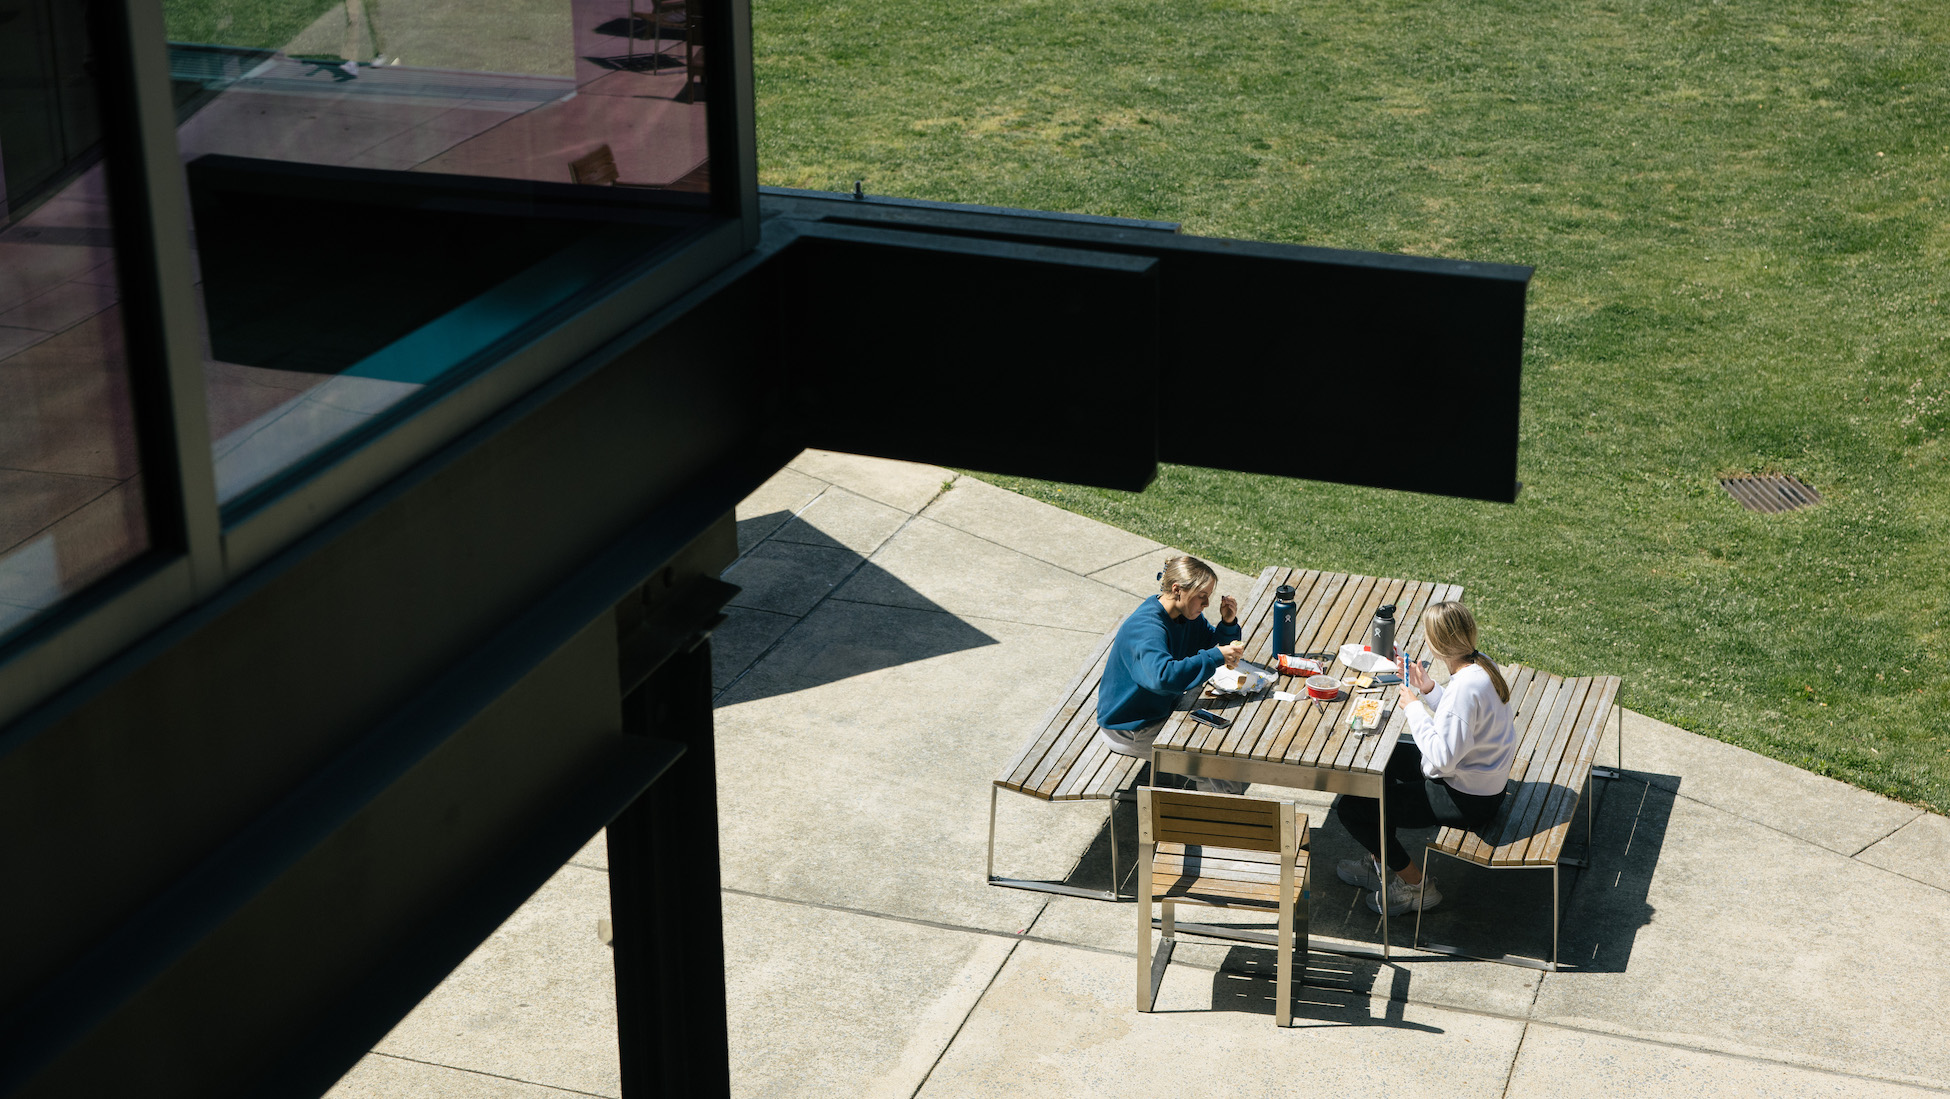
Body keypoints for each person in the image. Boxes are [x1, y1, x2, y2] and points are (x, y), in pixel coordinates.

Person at [1333, 601, 1517, 915]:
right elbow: (1460, 723)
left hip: (1466, 799)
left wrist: (1414, 707)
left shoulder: (1464, 690)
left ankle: (1416, 886)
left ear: (1435, 643)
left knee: (1353, 809)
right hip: (1478, 782)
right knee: (1381, 761)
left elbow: (1441, 760)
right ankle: (1379, 858)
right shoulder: (1480, 663)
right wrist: (1429, 688)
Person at [1095, 555, 1245, 790]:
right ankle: (1212, 824)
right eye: (1202, 596)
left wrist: (1227, 625)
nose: (1206, 604)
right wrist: (1217, 656)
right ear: (1177, 590)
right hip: (1131, 727)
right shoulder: (1146, 627)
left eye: (1209, 596)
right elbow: (1164, 677)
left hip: (1161, 709)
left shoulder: (1183, 615)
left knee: (1233, 751)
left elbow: (1209, 643)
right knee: (1218, 770)